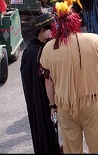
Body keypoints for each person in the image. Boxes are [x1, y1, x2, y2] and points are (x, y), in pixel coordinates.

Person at [39, 2, 98, 154]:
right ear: (75, 20)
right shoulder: (94, 39)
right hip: (91, 101)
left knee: (71, 148)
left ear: (56, 25)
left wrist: (53, 106)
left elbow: (48, 81)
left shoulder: (48, 48)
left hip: (64, 105)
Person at [20, 13, 61, 154]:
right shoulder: (33, 52)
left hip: (45, 96)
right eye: (52, 29)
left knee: (51, 128)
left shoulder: (42, 47)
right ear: (43, 31)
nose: (54, 32)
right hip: (40, 99)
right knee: (44, 128)